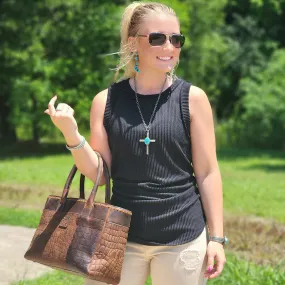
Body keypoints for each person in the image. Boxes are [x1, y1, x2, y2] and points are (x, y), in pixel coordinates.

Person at [44, 2, 227, 285]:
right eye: (157, 38)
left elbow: (208, 173)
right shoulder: (106, 101)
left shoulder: (193, 100)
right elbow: (100, 175)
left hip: (182, 238)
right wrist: (71, 135)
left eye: (176, 39)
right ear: (133, 42)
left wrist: (216, 238)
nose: (169, 46)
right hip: (118, 238)